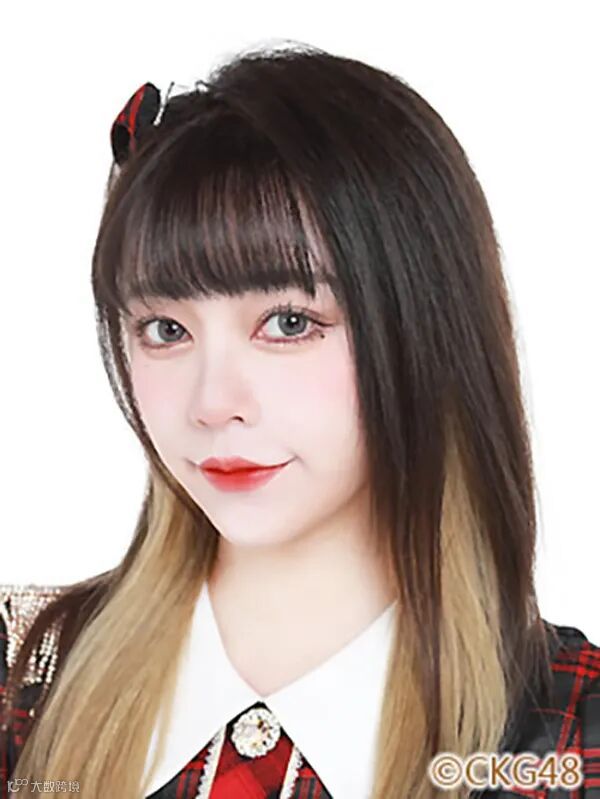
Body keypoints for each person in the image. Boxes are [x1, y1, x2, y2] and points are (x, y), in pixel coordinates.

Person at [1, 41, 599, 799]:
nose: (211, 403)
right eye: (166, 329)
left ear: (424, 327)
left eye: (289, 322)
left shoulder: (569, 734)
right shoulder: (25, 675)